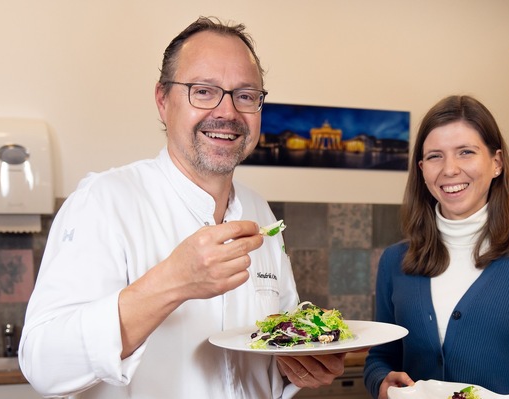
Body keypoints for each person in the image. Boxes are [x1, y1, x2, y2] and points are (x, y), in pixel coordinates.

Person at [19, 17, 346, 399]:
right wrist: (173, 281)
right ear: (163, 100)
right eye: (203, 91)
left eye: (245, 95)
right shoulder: (104, 201)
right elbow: (43, 364)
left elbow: (272, 349)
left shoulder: (260, 213)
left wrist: (298, 369)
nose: (227, 112)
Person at [363, 95, 509, 399]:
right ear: (422, 169)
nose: (450, 169)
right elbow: (381, 357)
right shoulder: (395, 261)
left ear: (496, 163)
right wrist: (381, 382)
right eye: (435, 156)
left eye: (465, 152)